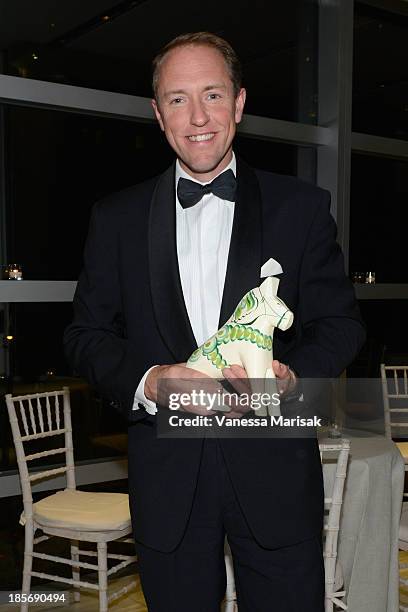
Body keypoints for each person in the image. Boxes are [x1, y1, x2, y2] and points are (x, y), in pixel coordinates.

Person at [64, 32, 365, 612]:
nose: (197, 116)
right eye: (177, 99)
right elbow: (85, 335)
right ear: (157, 113)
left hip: (276, 477)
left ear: (240, 103)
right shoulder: (116, 217)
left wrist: (294, 376)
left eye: (212, 95)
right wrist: (150, 380)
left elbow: (341, 324)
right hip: (168, 485)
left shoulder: (300, 208)